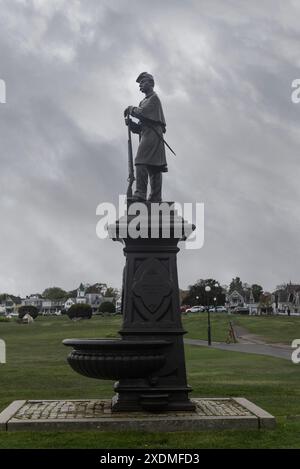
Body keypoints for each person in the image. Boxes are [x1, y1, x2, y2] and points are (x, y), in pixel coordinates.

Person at [124, 72, 167, 202]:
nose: (140, 86)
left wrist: (131, 109)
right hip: (148, 134)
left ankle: (140, 193)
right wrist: (132, 125)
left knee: (141, 161)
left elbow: (143, 113)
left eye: (143, 82)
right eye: (140, 83)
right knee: (153, 166)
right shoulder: (144, 101)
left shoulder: (153, 98)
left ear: (150, 83)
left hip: (154, 136)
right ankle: (155, 197)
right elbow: (143, 125)